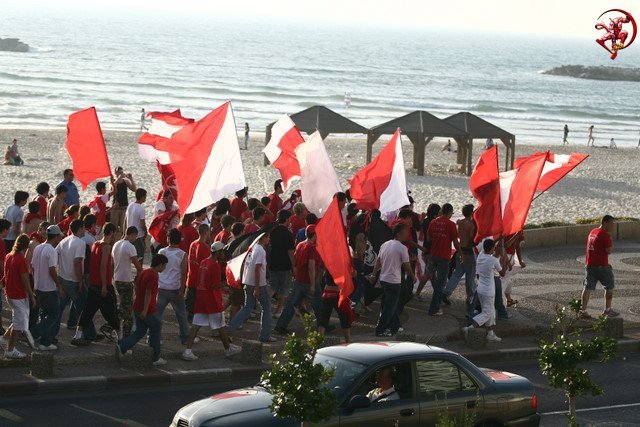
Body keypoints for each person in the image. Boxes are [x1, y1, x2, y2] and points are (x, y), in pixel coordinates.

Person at [182, 242, 241, 360]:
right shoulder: (215, 265)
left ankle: (187, 351)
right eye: (222, 252)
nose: (223, 254)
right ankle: (228, 350)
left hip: (201, 298)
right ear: (218, 252)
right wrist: (228, 282)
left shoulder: (204, 262)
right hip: (212, 300)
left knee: (196, 326)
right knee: (220, 326)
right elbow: (214, 286)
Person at [115, 254, 168, 366]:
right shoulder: (154, 275)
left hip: (137, 306)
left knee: (140, 331)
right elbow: (148, 293)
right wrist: (145, 310)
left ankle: (122, 346)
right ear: (160, 264)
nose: (165, 268)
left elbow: (137, 286)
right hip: (148, 309)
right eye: (164, 266)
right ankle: (156, 357)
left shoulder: (144, 272)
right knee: (156, 330)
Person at [73, 223, 120, 344]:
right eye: (115, 233)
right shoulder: (106, 247)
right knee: (112, 311)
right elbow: (103, 267)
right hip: (103, 285)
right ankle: (117, 335)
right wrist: (105, 286)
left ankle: (78, 335)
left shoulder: (95, 244)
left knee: (88, 311)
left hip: (93, 284)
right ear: (111, 233)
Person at [274, 225, 323, 335]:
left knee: (291, 304)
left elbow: (295, 261)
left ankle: (281, 325)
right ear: (315, 235)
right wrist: (312, 284)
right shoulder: (312, 247)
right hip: (308, 281)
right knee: (318, 304)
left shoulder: (300, 244)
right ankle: (323, 325)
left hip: (299, 280)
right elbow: (311, 267)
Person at [228, 232, 275, 342]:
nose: (269, 239)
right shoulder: (260, 250)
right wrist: (257, 288)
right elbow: (257, 269)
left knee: (247, 307)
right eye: (268, 236)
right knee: (266, 308)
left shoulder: (253, 248)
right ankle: (265, 335)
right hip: (257, 284)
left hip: (248, 282)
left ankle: (229, 328)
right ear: (263, 238)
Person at [371, 224, 415, 337]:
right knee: (390, 307)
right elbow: (406, 264)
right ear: (399, 234)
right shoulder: (402, 248)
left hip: (384, 279)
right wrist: (412, 275)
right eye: (405, 232)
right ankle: (380, 330)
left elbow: (378, 261)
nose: (407, 234)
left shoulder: (385, 244)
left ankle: (395, 325)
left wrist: (374, 274)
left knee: (390, 304)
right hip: (393, 281)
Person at [462, 239, 506, 343]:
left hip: (480, 289)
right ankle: (469, 328)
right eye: (494, 247)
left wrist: (498, 239)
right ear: (492, 248)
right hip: (488, 291)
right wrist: (503, 260)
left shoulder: (481, 256)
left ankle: (490, 334)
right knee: (487, 312)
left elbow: (489, 246)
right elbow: (503, 273)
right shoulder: (493, 260)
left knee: (490, 312)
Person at [1, 235, 36, 358]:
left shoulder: (9, 255)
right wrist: (32, 295)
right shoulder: (21, 259)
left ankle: (4, 338)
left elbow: (6, 275)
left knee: (18, 319)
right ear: (27, 246)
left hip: (9, 293)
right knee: (18, 323)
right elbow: (25, 279)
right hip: (18, 294)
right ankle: (10, 350)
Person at [30, 224, 64, 351]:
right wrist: (58, 285)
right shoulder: (52, 250)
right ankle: (33, 333)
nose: (59, 239)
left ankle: (45, 341)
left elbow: (32, 266)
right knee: (54, 313)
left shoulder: (38, 247)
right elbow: (52, 270)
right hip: (48, 288)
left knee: (45, 314)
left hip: (38, 286)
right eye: (58, 237)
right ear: (55, 237)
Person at [54, 219, 87, 342]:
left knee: (58, 310)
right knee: (83, 308)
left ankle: (52, 334)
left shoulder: (64, 240)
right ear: (79, 229)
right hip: (73, 280)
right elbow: (77, 262)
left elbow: (55, 254)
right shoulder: (80, 243)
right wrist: (80, 280)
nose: (85, 230)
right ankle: (85, 334)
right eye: (83, 228)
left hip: (62, 278)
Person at [580, 216, 618, 319]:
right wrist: (610, 240)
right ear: (605, 223)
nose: (613, 226)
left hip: (590, 264)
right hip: (602, 266)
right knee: (609, 287)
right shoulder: (605, 235)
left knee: (587, 287)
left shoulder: (593, 231)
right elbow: (609, 251)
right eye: (611, 223)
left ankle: (583, 310)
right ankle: (607, 310)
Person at [426, 203, 461, 316]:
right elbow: (455, 242)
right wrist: (461, 254)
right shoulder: (451, 224)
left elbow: (428, 238)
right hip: (444, 257)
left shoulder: (433, 222)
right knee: (440, 284)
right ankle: (434, 309)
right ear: (450, 212)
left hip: (432, 255)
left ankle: (435, 305)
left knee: (435, 281)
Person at [157, 229, 190, 345]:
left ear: (168, 239)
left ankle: (154, 336)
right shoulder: (183, 254)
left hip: (162, 287)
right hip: (175, 288)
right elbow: (183, 273)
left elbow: (157, 270)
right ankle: (185, 337)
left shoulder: (161, 251)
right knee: (181, 315)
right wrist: (182, 290)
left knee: (157, 315)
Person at [442, 204, 476, 306]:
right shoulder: (471, 225)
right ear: (471, 213)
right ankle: (470, 296)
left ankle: (446, 292)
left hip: (460, 250)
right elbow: (471, 239)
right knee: (470, 275)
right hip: (468, 252)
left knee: (457, 274)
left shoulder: (459, 222)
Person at [112, 226, 143, 339]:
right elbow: (136, 264)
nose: (135, 238)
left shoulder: (116, 244)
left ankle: (113, 324)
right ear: (132, 234)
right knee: (128, 309)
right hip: (126, 280)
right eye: (135, 236)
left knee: (122, 305)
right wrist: (142, 273)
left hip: (117, 279)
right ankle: (126, 333)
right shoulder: (130, 246)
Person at [268, 210, 295, 318]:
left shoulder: (273, 232)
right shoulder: (288, 234)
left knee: (273, 286)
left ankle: (265, 304)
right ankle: (278, 310)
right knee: (284, 289)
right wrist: (294, 266)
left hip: (273, 262)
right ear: (287, 219)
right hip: (284, 264)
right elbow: (290, 252)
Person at [185, 224, 211, 317]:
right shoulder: (205, 248)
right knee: (198, 308)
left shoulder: (193, 244)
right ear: (207, 232)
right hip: (199, 282)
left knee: (189, 305)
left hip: (190, 278)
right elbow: (205, 267)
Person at [318, 272, 352, 343]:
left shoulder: (329, 263)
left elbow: (324, 276)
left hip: (327, 292)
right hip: (338, 293)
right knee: (344, 318)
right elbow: (351, 274)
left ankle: (319, 342)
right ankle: (348, 341)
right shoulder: (342, 263)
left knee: (324, 318)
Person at [110, 167, 137, 239]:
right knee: (113, 228)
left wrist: (131, 179)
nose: (121, 174)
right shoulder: (114, 181)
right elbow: (112, 188)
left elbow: (134, 189)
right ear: (116, 173)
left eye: (121, 172)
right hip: (115, 208)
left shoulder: (125, 181)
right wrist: (119, 178)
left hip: (124, 207)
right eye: (119, 172)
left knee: (124, 228)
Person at [502, 231, 525, 307]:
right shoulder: (513, 227)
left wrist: (520, 260)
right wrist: (516, 235)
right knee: (505, 278)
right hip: (505, 256)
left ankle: (508, 300)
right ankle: (498, 303)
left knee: (507, 279)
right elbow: (506, 245)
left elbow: (517, 246)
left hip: (506, 256)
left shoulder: (516, 226)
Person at [125, 188, 147, 264]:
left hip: (129, 234)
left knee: (129, 257)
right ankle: (139, 274)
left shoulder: (130, 205)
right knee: (140, 256)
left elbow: (125, 219)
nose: (145, 198)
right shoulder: (141, 208)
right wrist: (146, 232)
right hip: (138, 236)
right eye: (145, 196)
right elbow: (142, 223)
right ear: (142, 197)